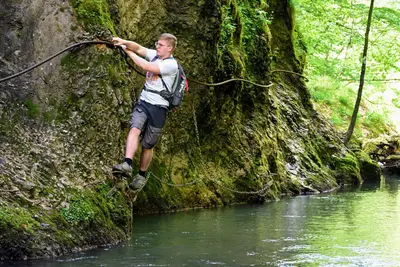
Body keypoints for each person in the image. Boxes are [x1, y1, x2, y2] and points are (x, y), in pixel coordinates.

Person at [111, 33, 178, 189]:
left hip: (159, 108)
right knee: (134, 128)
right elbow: (139, 48)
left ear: (169, 48)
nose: (157, 46)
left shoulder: (171, 65)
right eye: (157, 43)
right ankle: (127, 164)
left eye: (161, 45)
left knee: (148, 145)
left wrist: (127, 51)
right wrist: (125, 42)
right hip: (144, 102)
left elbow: (146, 66)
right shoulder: (155, 55)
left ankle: (141, 175)